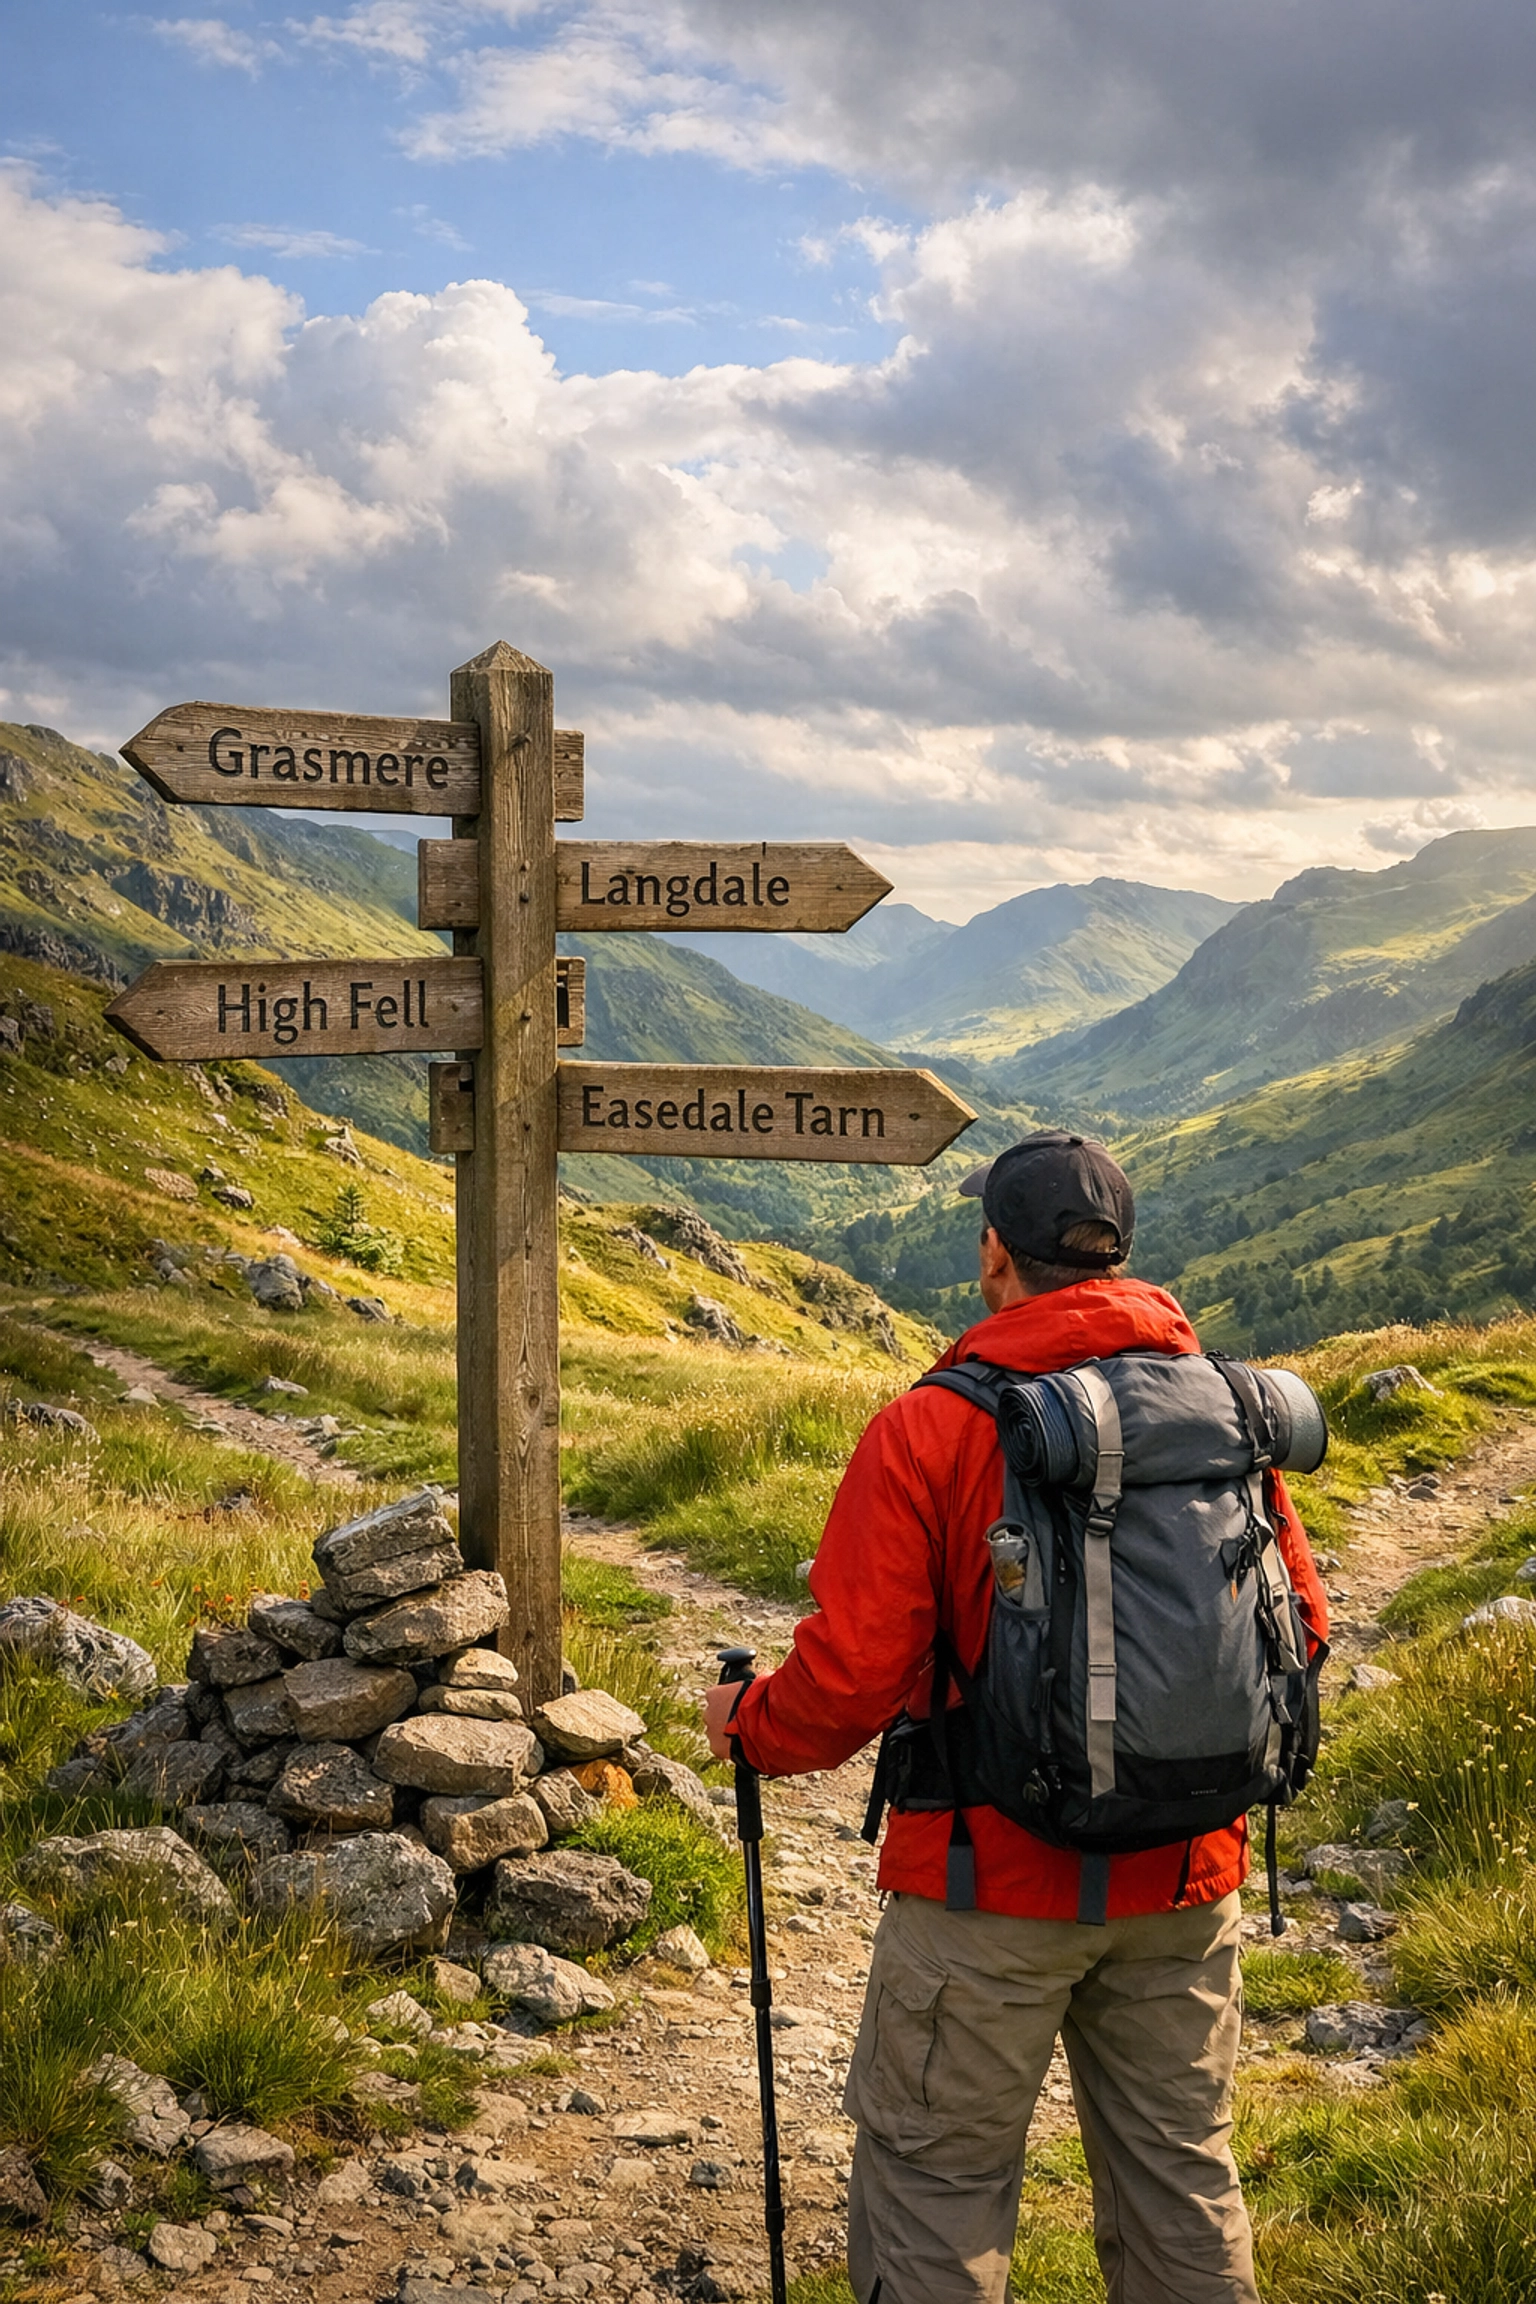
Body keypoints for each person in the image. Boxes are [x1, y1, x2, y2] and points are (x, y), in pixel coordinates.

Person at [704, 1132, 1327, 2304]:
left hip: (983, 1887)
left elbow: (849, 1680)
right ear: (1122, 1256)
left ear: (996, 1252)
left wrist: (749, 1727)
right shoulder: (1231, 1413)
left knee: (938, 2187)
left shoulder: (932, 1426)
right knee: (1182, 2182)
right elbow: (1304, 1628)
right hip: (1188, 1876)